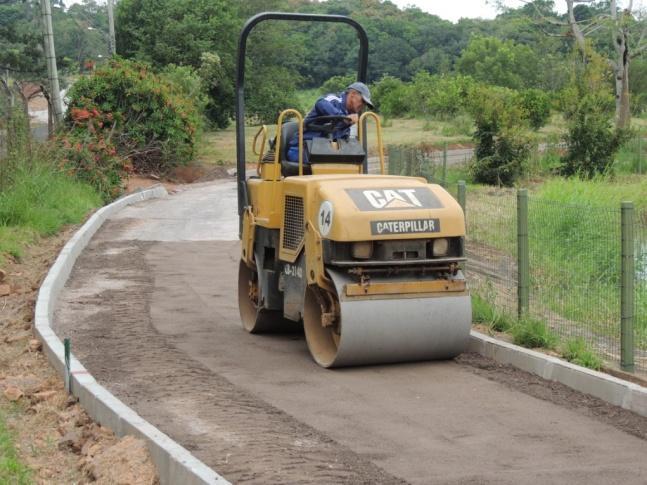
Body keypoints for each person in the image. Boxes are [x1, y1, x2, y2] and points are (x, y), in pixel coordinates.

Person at [286, 81, 374, 163]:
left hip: (323, 152)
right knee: (331, 161)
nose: (363, 106)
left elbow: (339, 141)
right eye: (362, 101)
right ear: (352, 94)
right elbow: (320, 103)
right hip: (301, 150)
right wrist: (342, 118)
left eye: (365, 104)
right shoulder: (333, 100)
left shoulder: (349, 116)